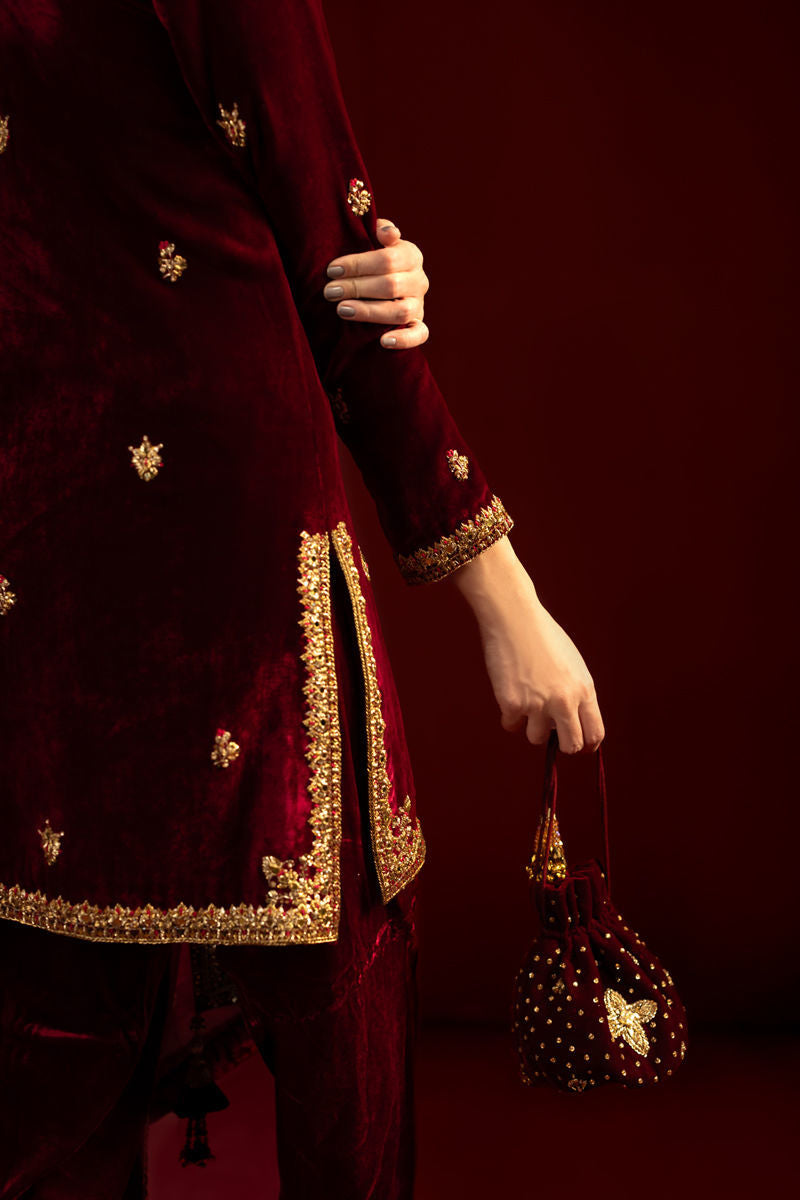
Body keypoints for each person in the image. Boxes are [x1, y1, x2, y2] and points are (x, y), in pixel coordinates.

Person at [0, 1, 604, 1196]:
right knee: (336, 1034)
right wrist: (503, 596)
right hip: (232, 566)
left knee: (47, 1058)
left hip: (36, 556)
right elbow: (345, 263)